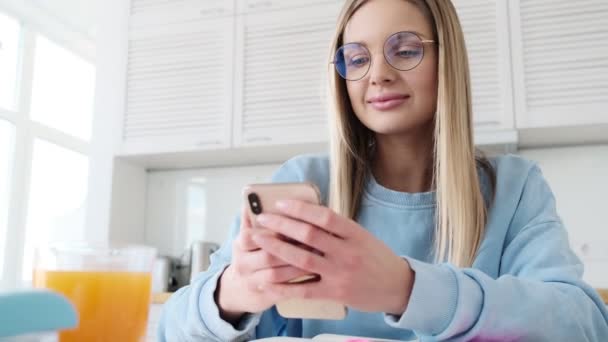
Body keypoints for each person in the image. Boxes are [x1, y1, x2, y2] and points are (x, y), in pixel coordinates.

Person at [158, 0, 608, 340]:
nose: (378, 74)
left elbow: (585, 324)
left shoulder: (514, 188)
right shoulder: (302, 182)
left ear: (446, 61)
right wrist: (233, 294)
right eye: (356, 58)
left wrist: (407, 288)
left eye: (406, 50)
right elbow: (168, 330)